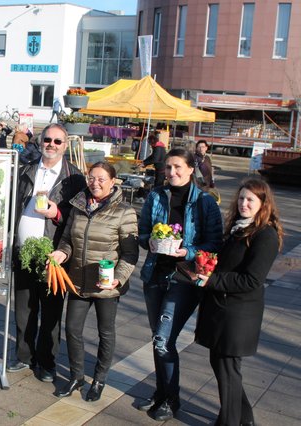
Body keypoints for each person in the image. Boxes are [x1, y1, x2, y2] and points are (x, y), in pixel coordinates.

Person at [137, 147, 223, 421]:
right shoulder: (156, 195)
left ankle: (171, 400)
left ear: (189, 169)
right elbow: (142, 232)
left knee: (163, 339)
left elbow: (214, 244)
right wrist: (148, 241)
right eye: (168, 168)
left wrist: (187, 251)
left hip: (184, 278)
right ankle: (161, 392)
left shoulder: (205, 202)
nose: (171, 172)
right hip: (154, 275)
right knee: (159, 339)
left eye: (177, 167)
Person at [195, 177, 283, 426]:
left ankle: (229, 421)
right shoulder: (239, 227)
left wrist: (210, 280)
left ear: (263, 204)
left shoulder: (265, 235)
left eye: (250, 200)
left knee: (227, 368)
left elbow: (251, 280)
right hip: (222, 309)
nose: (244, 203)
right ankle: (245, 419)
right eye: (242, 198)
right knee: (224, 367)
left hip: (238, 314)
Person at [50, 162, 139, 401]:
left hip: (106, 284)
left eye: (101, 179)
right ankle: (77, 376)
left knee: (105, 333)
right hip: (78, 280)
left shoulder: (124, 211)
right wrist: (62, 253)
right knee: (72, 329)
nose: (95, 183)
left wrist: (118, 280)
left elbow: (131, 254)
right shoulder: (78, 205)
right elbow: (68, 238)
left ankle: (99, 379)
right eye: (91, 178)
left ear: (113, 182)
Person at [8, 123, 86, 382]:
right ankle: (23, 356)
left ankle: (47, 363)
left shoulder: (74, 178)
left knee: (51, 312)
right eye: (47, 140)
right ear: (41, 142)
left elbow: (79, 220)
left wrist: (58, 214)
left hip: (54, 254)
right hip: (23, 252)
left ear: (65, 146)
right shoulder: (26, 170)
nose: (51, 145)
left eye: (57, 141)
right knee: (23, 309)